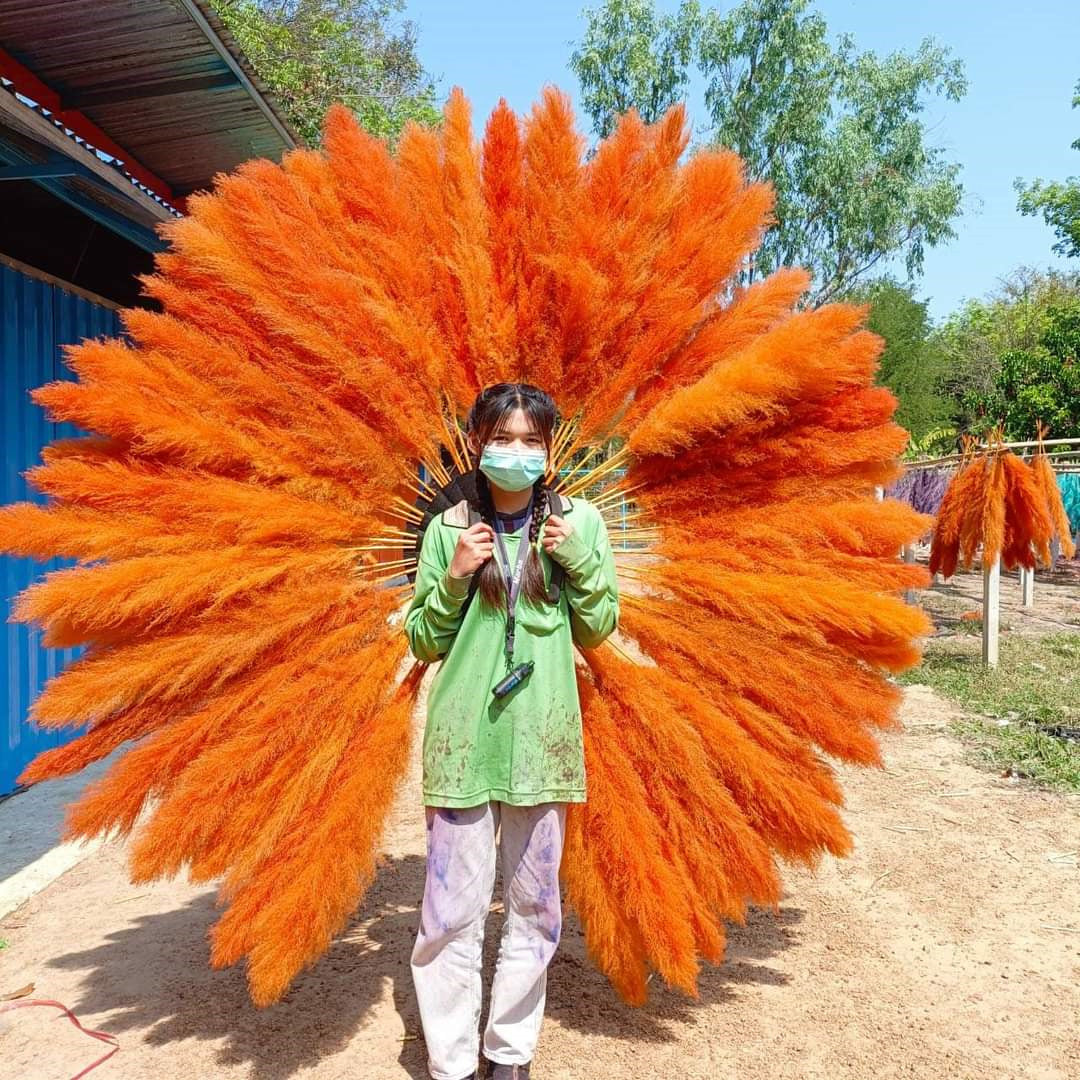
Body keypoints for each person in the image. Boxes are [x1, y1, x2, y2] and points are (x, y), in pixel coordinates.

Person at [403, 382, 620, 1080]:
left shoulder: (579, 524)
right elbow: (425, 639)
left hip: (543, 741)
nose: (516, 452)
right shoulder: (447, 530)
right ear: (476, 442)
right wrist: (456, 577)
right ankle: (453, 1061)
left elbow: (600, 627)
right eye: (503, 438)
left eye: (531, 440)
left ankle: (510, 1054)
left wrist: (577, 562)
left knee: (534, 907)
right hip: (464, 741)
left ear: (550, 450)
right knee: (450, 914)